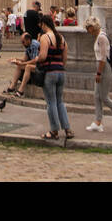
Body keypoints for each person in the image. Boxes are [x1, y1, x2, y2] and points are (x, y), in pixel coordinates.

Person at [35, 13, 72, 141]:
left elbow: (43, 56)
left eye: (41, 24)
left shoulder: (45, 37)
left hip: (50, 72)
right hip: (61, 72)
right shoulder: (62, 38)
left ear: (44, 24)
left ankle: (54, 131)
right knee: (60, 102)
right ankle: (67, 129)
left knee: (51, 102)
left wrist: (36, 59)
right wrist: (59, 66)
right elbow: (65, 58)